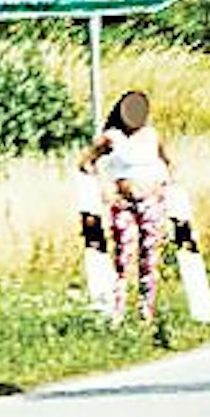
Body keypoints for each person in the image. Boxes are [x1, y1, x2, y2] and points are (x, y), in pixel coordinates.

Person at [78, 90, 174, 324]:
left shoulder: (152, 135)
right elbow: (86, 162)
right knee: (124, 255)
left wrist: (164, 186)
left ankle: (146, 310)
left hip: (151, 202)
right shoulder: (112, 137)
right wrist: (106, 187)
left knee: (150, 256)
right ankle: (117, 311)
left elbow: (168, 162)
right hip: (124, 204)